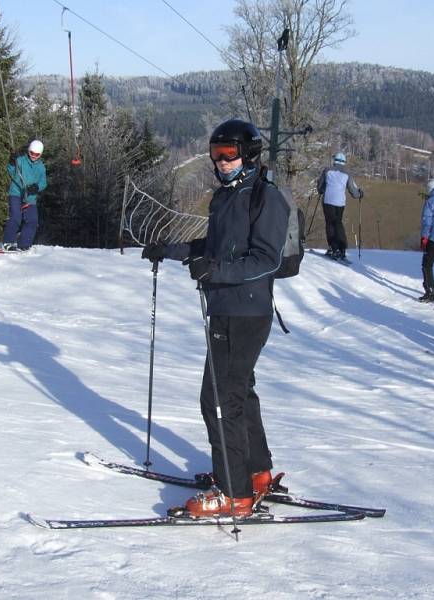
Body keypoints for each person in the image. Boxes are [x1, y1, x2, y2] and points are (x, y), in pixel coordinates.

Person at [140, 119, 289, 518]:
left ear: (249, 154)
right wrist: (169, 251)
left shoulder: (266, 198)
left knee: (219, 401)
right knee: (240, 393)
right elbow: (215, 246)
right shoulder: (225, 197)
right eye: (215, 153)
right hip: (224, 308)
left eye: (230, 154)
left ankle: (233, 492)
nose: (221, 161)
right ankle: (255, 473)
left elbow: (267, 258)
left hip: (246, 312)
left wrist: (216, 271)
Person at [1, 140, 47, 251]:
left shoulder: (41, 167)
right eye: (32, 153)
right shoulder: (21, 161)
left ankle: (24, 244)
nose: (34, 156)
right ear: (28, 151)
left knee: (32, 220)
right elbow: (12, 172)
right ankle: (8, 243)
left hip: (30, 198)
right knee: (16, 217)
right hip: (16, 193)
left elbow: (43, 182)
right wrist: (12, 162)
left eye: (37, 155)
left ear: (40, 155)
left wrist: (36, 187)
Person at [316, 152, 363, 260]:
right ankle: (342, 249)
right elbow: (354, 191)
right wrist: (360, 194)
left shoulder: (327, 170)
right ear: (344, 162)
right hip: (340, 203)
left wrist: (321, 189)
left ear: (334, 160)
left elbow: (320, 187)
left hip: (328, 200)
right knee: (338, 223)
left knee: (330, 223)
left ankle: (333, 248)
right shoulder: (347, 174)